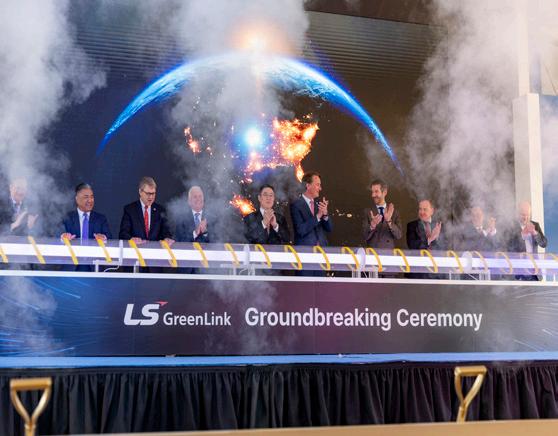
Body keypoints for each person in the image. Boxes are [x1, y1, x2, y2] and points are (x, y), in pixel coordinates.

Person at [60, 183, 112, 271]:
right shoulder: (67, 218)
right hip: (72, 266)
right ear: (77, 199)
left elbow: (110, 238)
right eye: (86, 197)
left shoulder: (100, 218)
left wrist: (103, 237)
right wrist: (63, 237)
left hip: (94, 266)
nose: (90, 200)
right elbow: (55, 235)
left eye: (92, 197)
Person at [290, 172, 332, 276]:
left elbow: (329, 228)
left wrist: (325, 215)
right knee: (304, 286)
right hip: (304, 256)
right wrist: (318, 216)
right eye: (317, 185)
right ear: (308, 186)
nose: (320, 188)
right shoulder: (296, 205)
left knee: (320, 285)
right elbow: (301, 230)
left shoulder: (319, 205)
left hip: (321, 256)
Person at [119, 177, 173, 244]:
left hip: (155, 249)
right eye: (148, 193)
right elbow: (123, 234)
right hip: (136, 249)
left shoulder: (160, 210)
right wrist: (131, 239)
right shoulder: (130, 210)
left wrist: (167, 238)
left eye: (153, 193)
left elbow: (166, 232)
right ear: (140, 192)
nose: (151, 197)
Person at [362, 179, 402, 249]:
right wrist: (372, 225)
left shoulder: (394, 212)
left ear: (385, 192)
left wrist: (389, 221)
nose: (373, 195)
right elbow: (364, 236)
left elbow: (399, 235)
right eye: (372, 192)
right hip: (372, 253)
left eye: (376, 191)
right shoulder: (367, 212)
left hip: (388, 253)